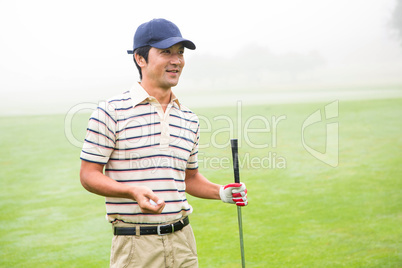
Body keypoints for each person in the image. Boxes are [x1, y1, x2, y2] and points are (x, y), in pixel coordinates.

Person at [79, 18, 248, 268]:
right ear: (140, 58)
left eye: (180, 53)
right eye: (166, 52)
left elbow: (189, 179)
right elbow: (88, 175)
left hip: (183, 244)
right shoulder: (110, 111)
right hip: (136, 246)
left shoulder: (188, 118)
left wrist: (221, 192)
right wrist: (131, 191)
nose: (176, 60)